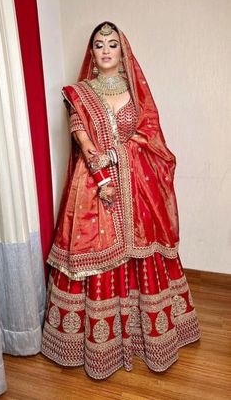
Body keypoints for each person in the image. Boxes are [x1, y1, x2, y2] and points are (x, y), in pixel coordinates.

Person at [41, 21, 200, 379]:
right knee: (97, 253)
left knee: (143, 251)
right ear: (93, 54)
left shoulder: (136, 92)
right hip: (94, 183)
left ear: (123, 51)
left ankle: (149, 336)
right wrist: (102, 171)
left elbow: (151, 135)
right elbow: (81, 137)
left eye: (113, 44)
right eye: (99, 44)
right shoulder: (79, 93)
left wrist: (126, 154)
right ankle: (99, 344)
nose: (107, 50)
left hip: (138, 183)